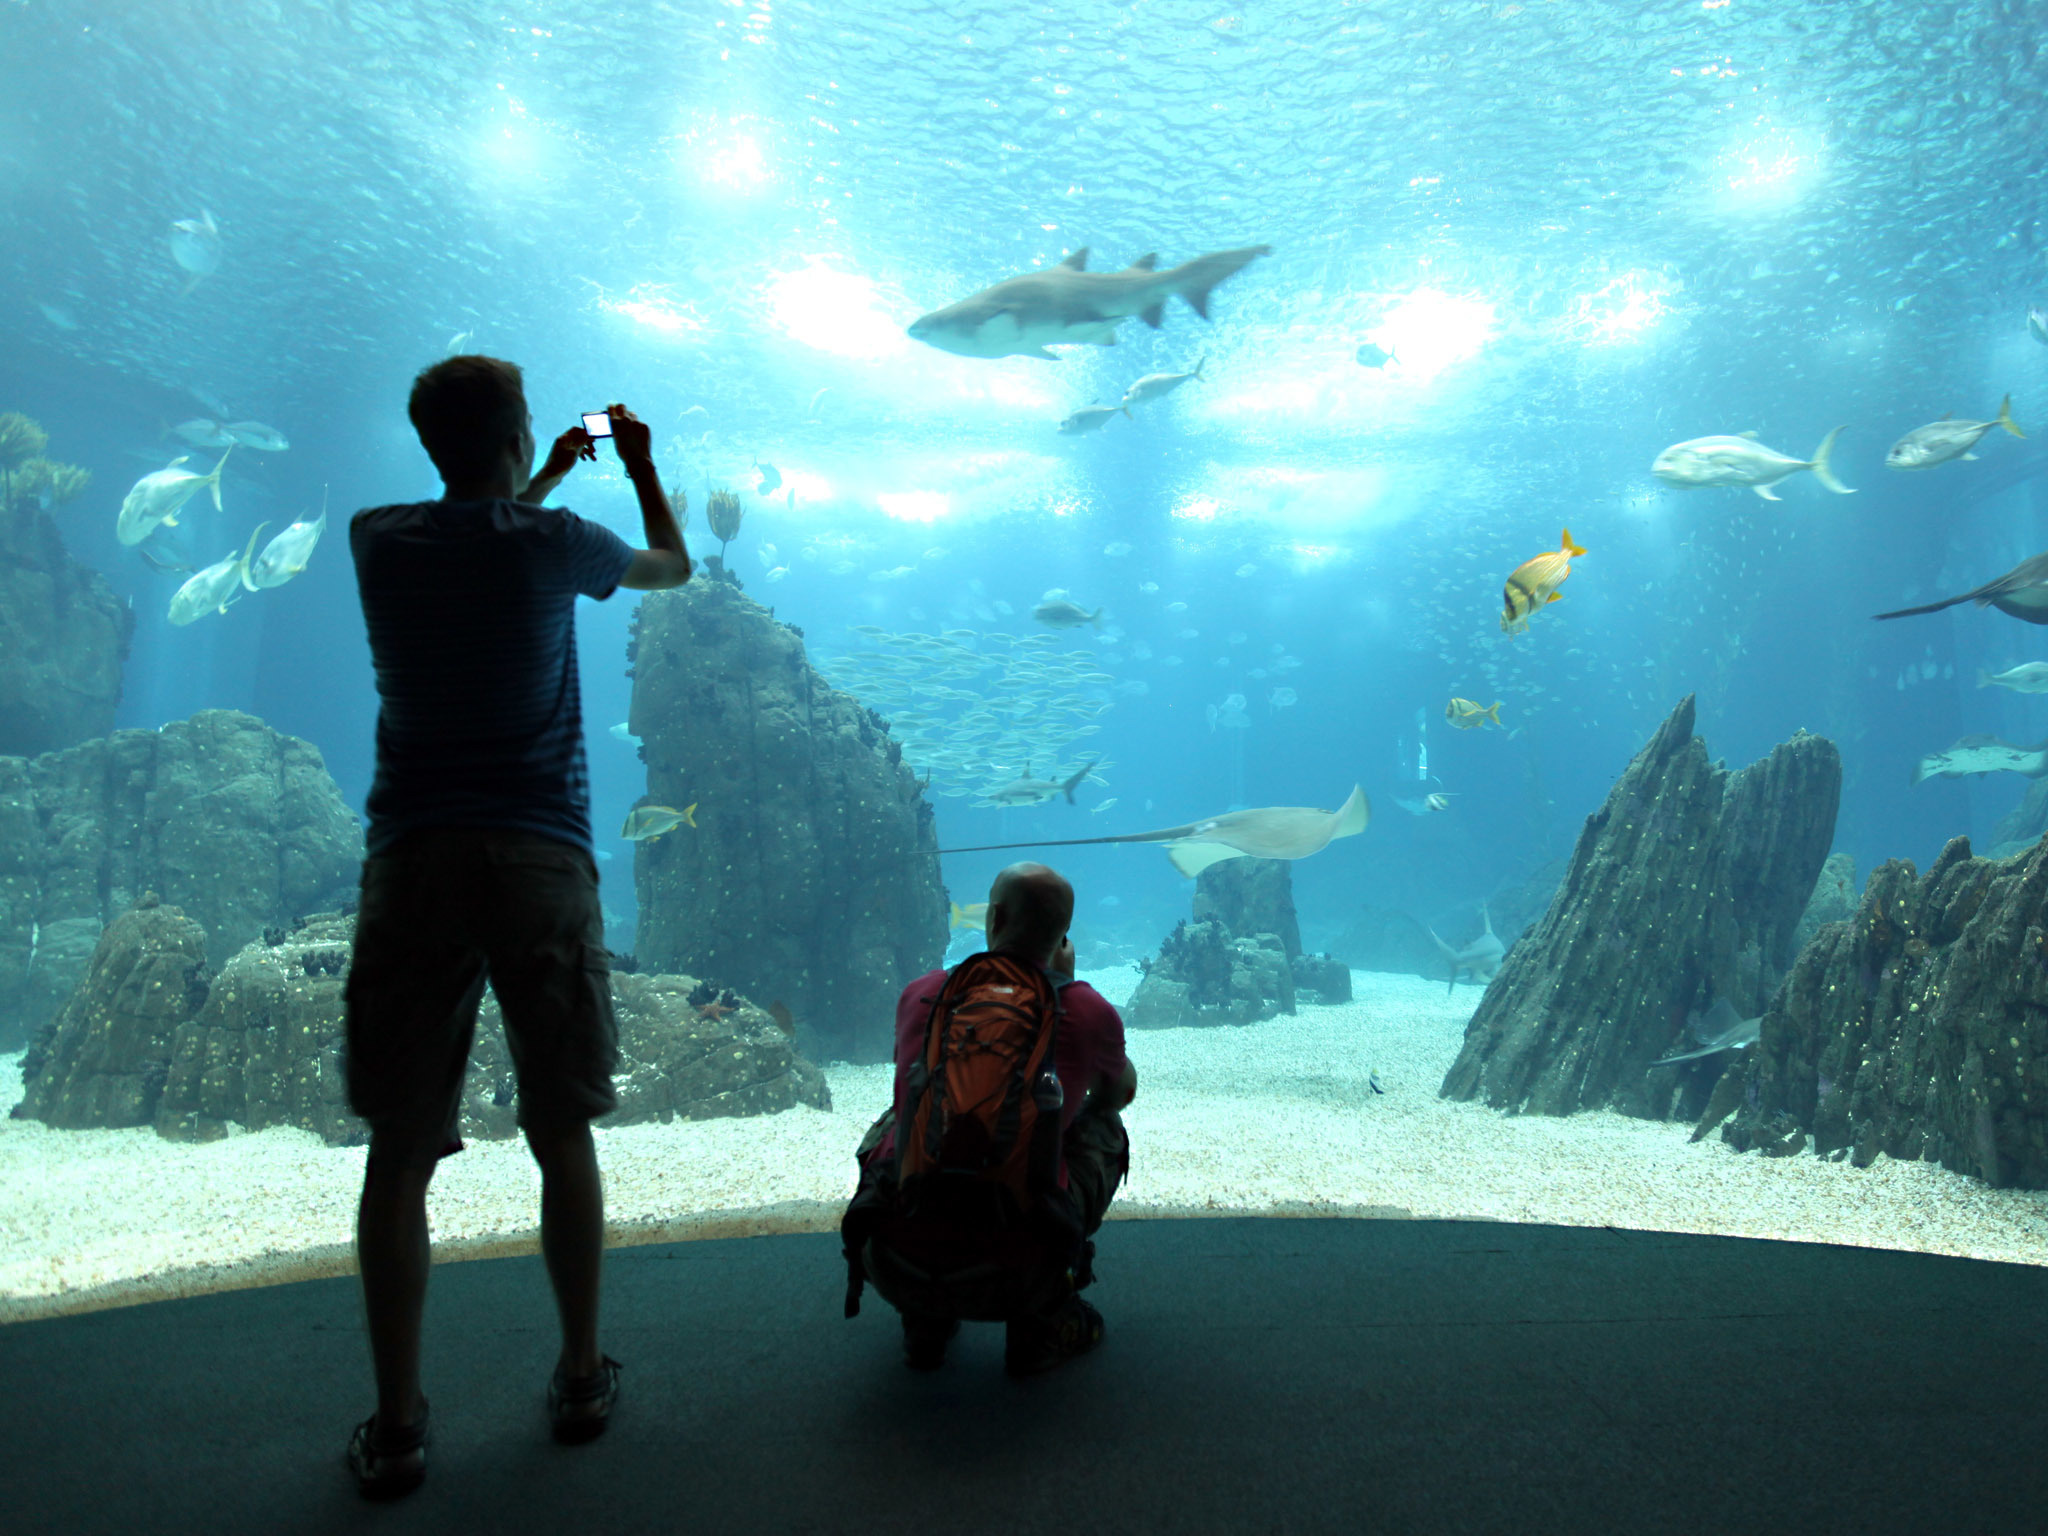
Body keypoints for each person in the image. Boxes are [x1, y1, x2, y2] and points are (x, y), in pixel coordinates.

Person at [341, 357, 692, 1499]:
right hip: (539, 857)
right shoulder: (557, 545)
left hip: (414, 860)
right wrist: (635, 468)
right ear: (518, 433)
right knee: (560, 1128)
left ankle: (397, 1426)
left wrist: (532, 475)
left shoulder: (377, 538)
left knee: (401, 1148)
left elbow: (481, 530)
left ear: (434, 441)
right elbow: (672, 569)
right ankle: (581, 1374)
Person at [843, 862, 1137, 1377]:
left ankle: (924, 1321)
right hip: (1022, 1271)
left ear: (994, 916)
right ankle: (1038, 1329)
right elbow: (1118, 1095)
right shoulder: (1089, 1009)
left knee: (898, 1116)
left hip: (891, 1260)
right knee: (1105, 1129)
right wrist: (1065, 996)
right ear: (1064, 935)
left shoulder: (922, 993)